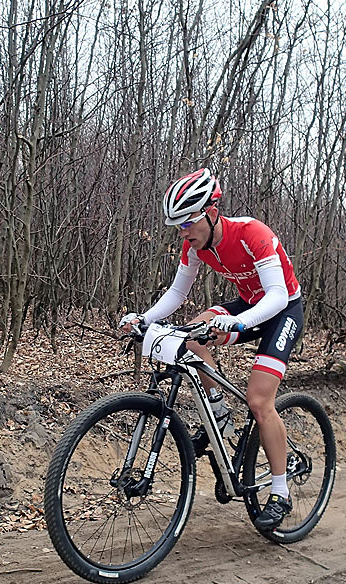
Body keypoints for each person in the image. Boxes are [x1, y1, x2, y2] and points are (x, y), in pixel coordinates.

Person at [119, 168, 303, 530]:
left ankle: (281, 492)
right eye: (177, 226)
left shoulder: (253, 233)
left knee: (260, 401)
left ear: (212, 212)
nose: (183, 232)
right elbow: (177, 294)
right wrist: (143, 318)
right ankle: (219, 417)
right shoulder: (194, 248)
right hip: (248, 305)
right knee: (191, 334)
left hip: (283, 311)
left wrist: (236, 324)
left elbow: (278, 294)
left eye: (187, 223)